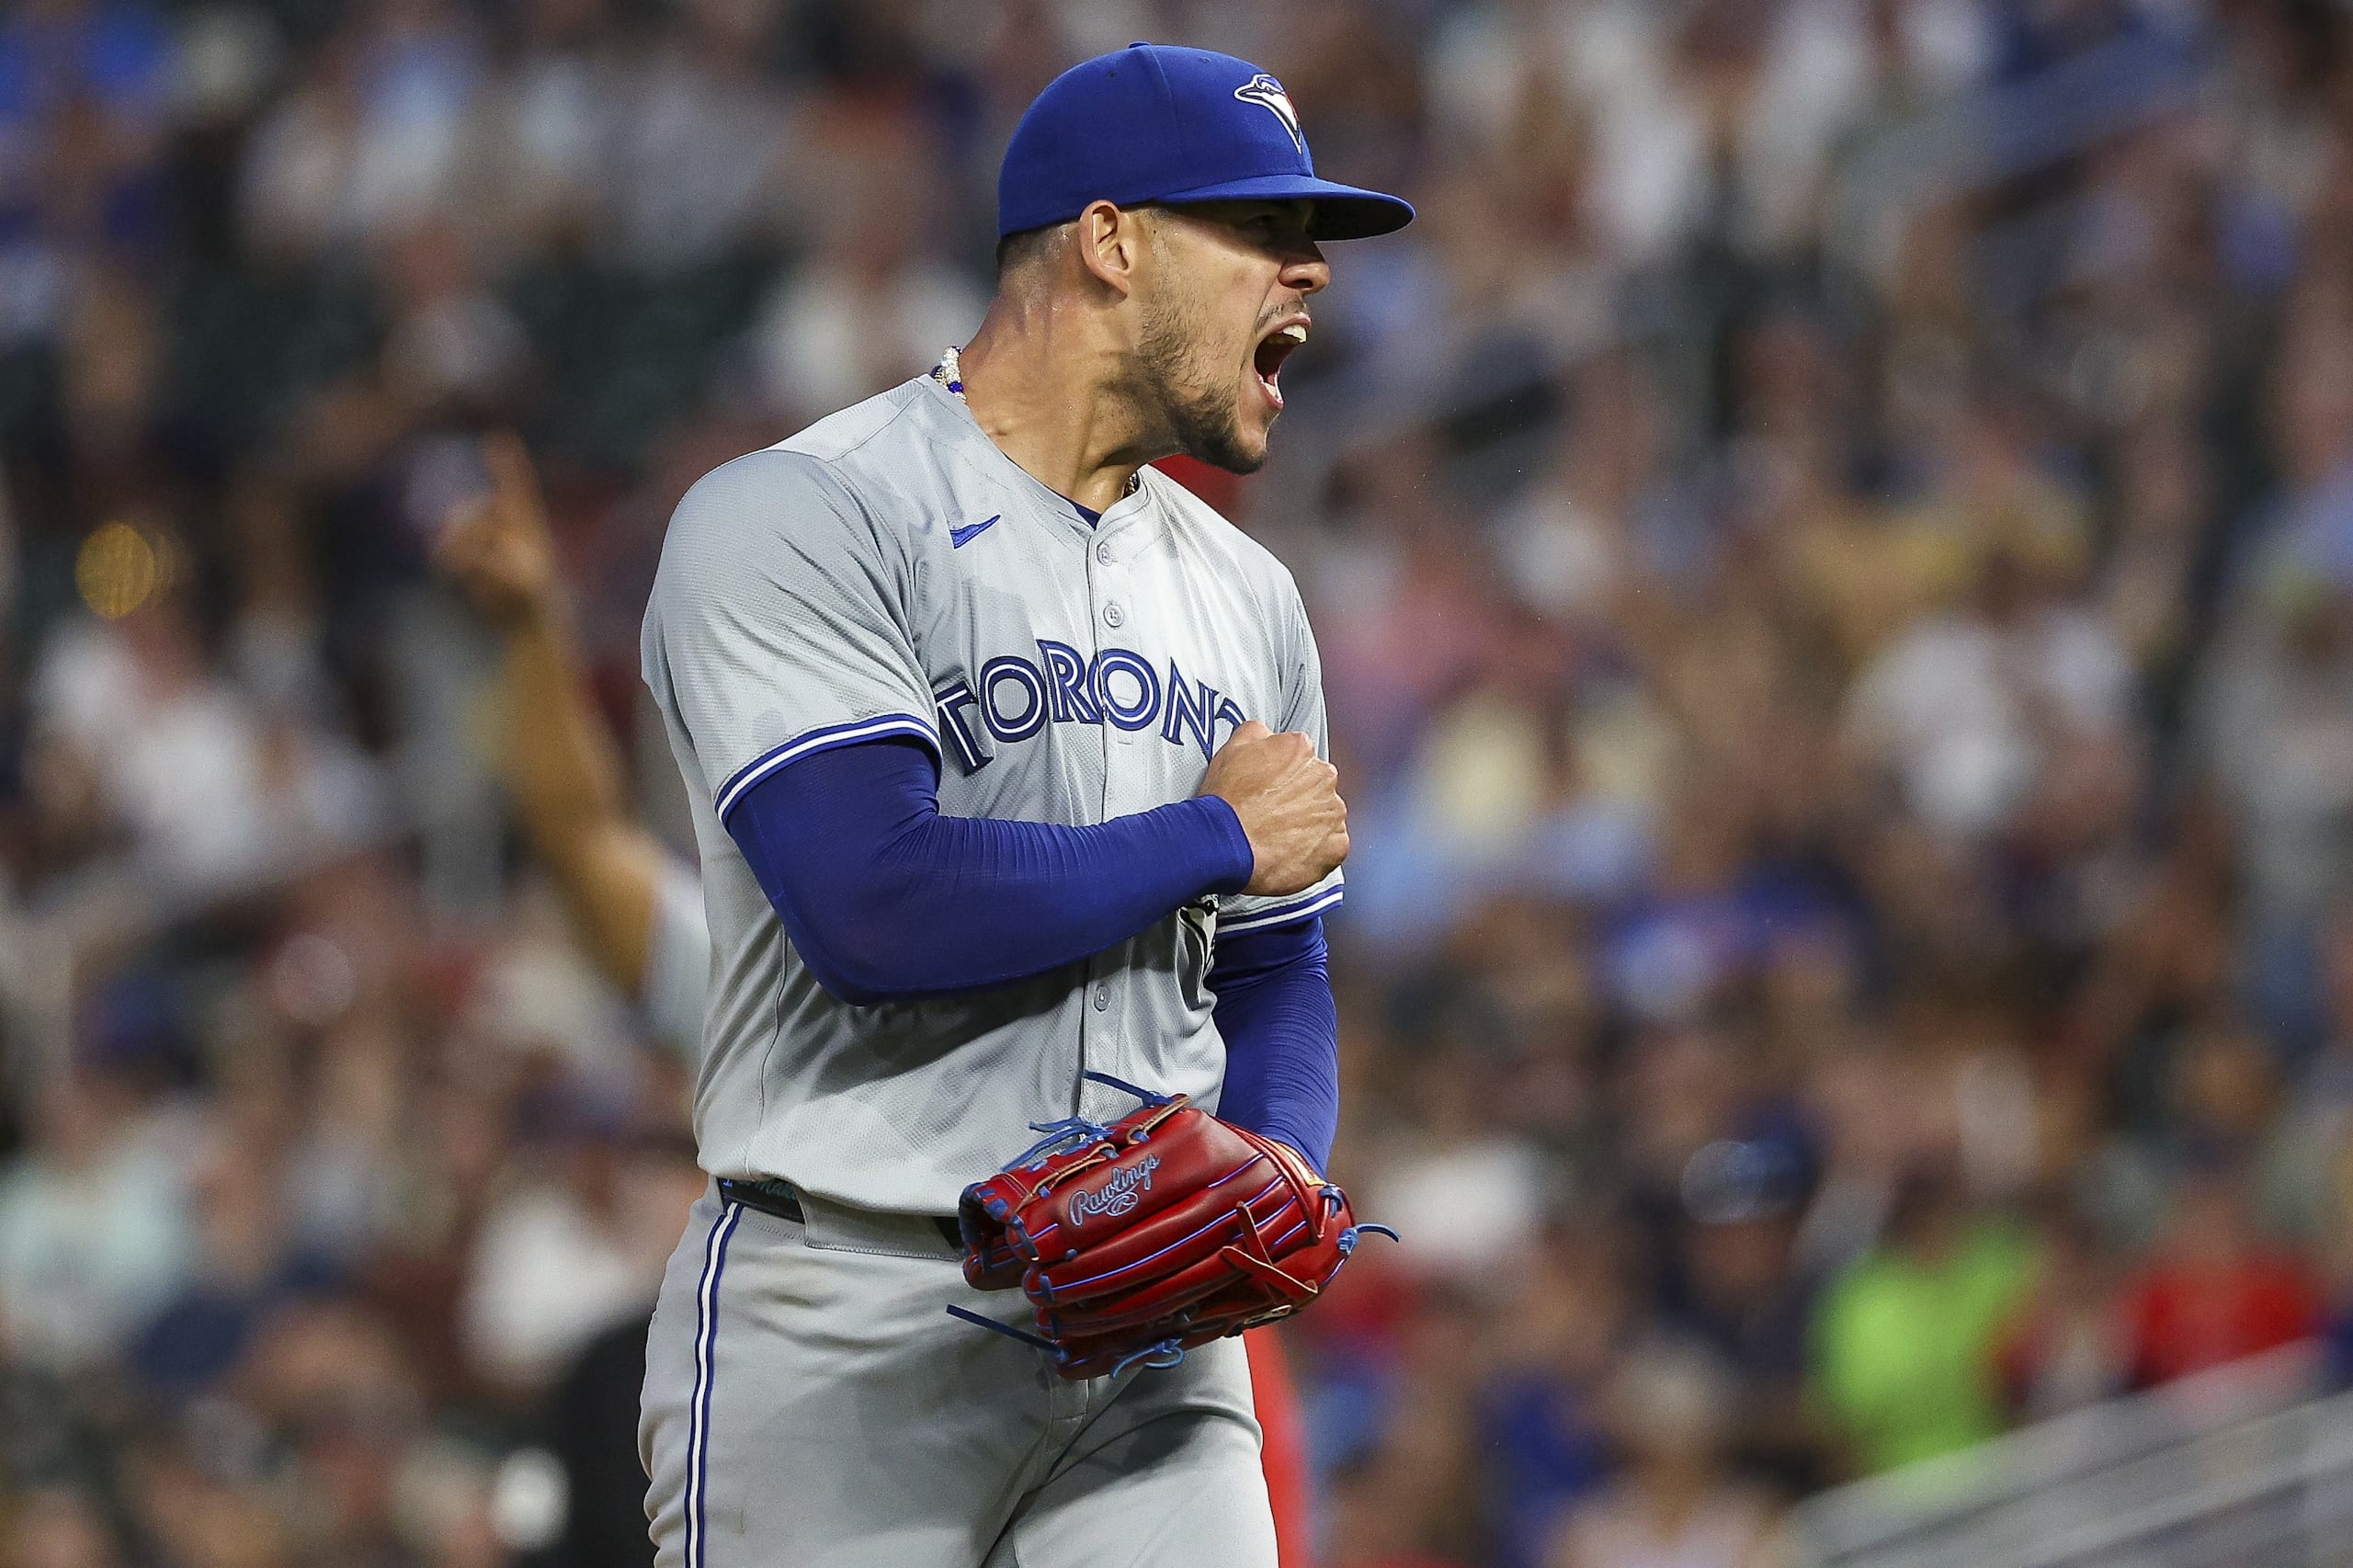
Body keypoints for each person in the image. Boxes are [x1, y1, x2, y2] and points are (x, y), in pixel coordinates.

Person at [633, 41, 1411, 1568]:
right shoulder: (803, 513)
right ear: (1110, 240)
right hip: (844, 1319)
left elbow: (1276, 963)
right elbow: (873, 901)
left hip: (1152, 1347)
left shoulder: (1251, 595)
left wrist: (1272, 1168)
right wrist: (1214, 833)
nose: (1310, 268)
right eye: (1259, 228)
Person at [436, 429, 1327, 1562]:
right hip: (863, 1384)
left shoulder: (1137, 930)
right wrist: (529, 635)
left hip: (1137, 1350)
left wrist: (1284, 1147)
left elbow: (1282, 973)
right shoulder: (788, 963)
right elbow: (583, 847)